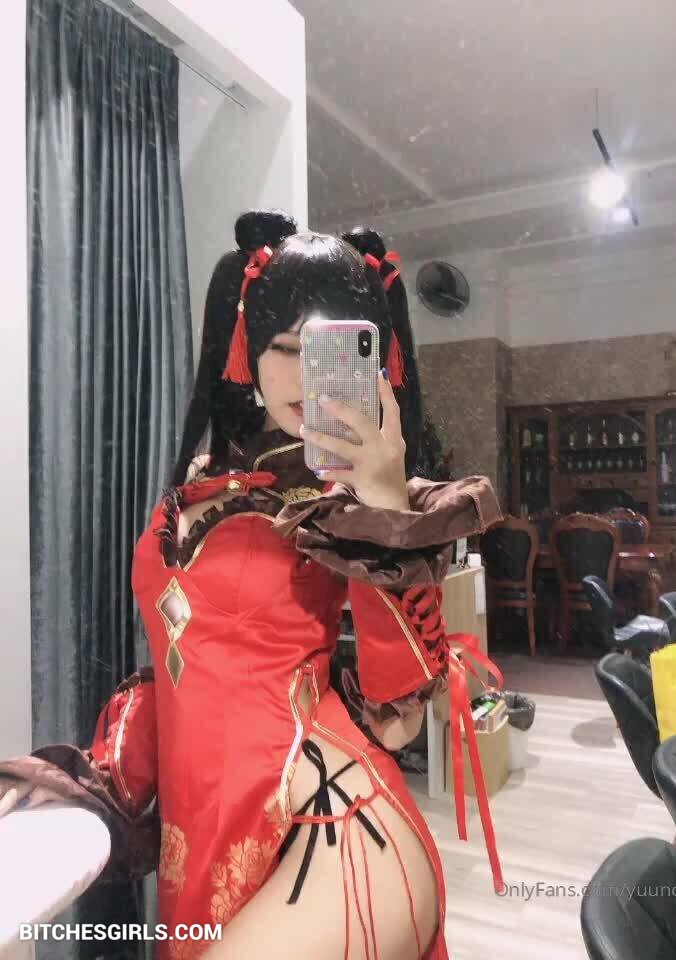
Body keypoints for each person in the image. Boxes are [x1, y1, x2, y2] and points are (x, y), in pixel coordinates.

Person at [0, 211, 504, 960]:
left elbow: (400, 713)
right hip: (208, 827)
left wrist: (383, 499)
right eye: (286, 348)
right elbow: (180, 668)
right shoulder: (199, 487)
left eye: (333, 352)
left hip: (332, 826)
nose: (306, 375)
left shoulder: (347, 501)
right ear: (245, 349)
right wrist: (95, 775)